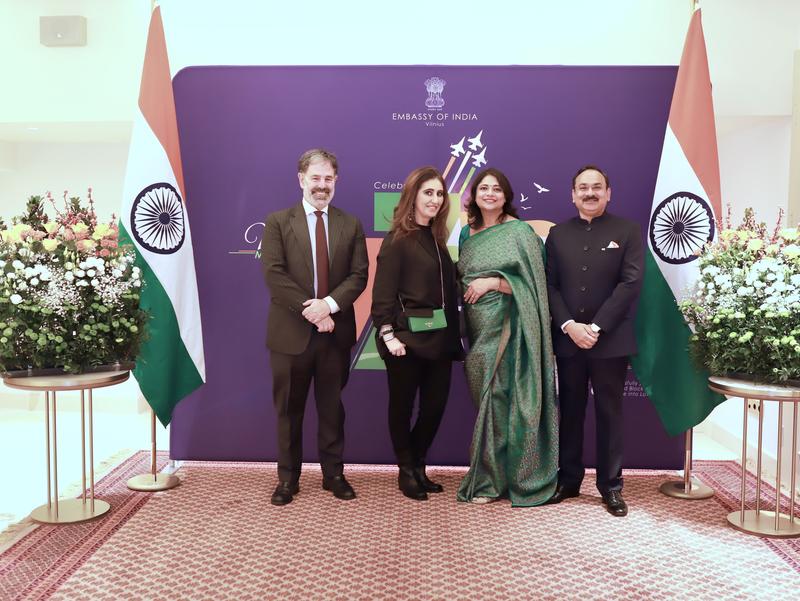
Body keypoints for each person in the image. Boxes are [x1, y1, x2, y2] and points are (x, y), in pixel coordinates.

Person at [262, 148, 369, 506]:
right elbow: (274, 274)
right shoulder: (278, 222)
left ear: (336, 181)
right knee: (288, 412)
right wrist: (313, 311)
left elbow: (359, 275)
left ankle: (333, 475)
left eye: (328, 178)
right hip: (290, 335)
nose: (322, 185)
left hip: (334, 336)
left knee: (332, 409)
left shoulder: (350, 224)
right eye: (315, 178)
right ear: (301, 180)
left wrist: (329, 306)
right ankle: (287, 479)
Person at [455, 168, 558, 507]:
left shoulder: (520, 232)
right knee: (486, 400)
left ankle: (502, 480)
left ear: (506, 196)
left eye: (496, 189)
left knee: (502, 398)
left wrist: (494, 283)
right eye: (483, 188)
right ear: (474, 195)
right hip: (477, 326)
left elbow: (535, 285)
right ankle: (490, 475)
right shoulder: (467, 234)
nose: (490, 194)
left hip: (512, 327)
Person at [544, 164, 643, 517]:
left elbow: (630, 283)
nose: (590, 193)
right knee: (570, 411)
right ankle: (568, 480)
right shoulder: (557, 234)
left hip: (610, 341)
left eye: (597, 187)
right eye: (583, 187)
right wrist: (570, 325)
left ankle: (611, 486)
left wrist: (596, 327)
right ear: (573, 195)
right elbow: (549, 285)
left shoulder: (627, 231)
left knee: (609, 413)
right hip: (569, 339)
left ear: (608, 193)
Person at [371, 166, 463, 501]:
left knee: (434, 408)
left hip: (439, 341)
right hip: (405, 342)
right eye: (428, 192)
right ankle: (406, 469)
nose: (435, 199)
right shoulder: (397, 239)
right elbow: (383, 294)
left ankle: (418, 463)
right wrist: (389, 335)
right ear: (412, 195)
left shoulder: (437, 239)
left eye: (439, 194)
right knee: (402, 408)